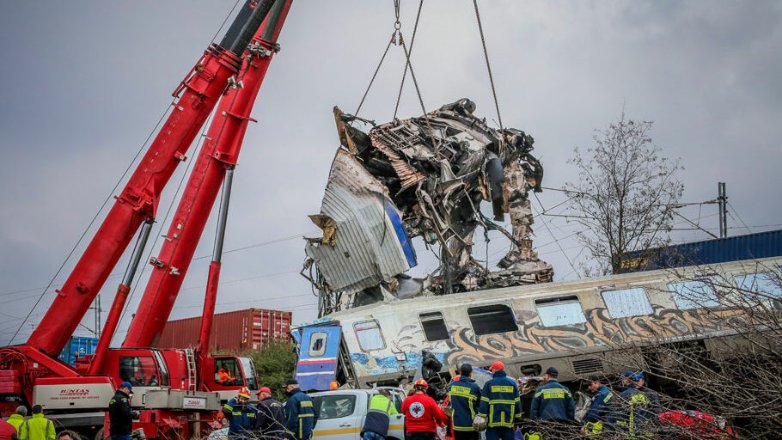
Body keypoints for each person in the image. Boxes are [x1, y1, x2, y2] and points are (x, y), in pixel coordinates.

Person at [476, 361, 521, 440]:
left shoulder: (489, 384)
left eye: (492, 370)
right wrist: (517, 421)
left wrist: (481, 419)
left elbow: (484, 404)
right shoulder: (512, 383)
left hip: (492, 424)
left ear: (494, 370)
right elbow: (517, 404)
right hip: (508, 424)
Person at [610, 372, 659, 438]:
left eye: (638, 381)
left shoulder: (650, 393)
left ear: (643, 381)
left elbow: (656, 410)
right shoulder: (635, 393)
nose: (637, 383)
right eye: (635, 381)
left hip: (639, 428)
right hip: (641, 428)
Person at [448, 364, 481, 440]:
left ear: (460, 372)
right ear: (470, 373)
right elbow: (480, 404)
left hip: (457, 425)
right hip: (471, 425)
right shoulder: (474, 387)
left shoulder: (451, 386)